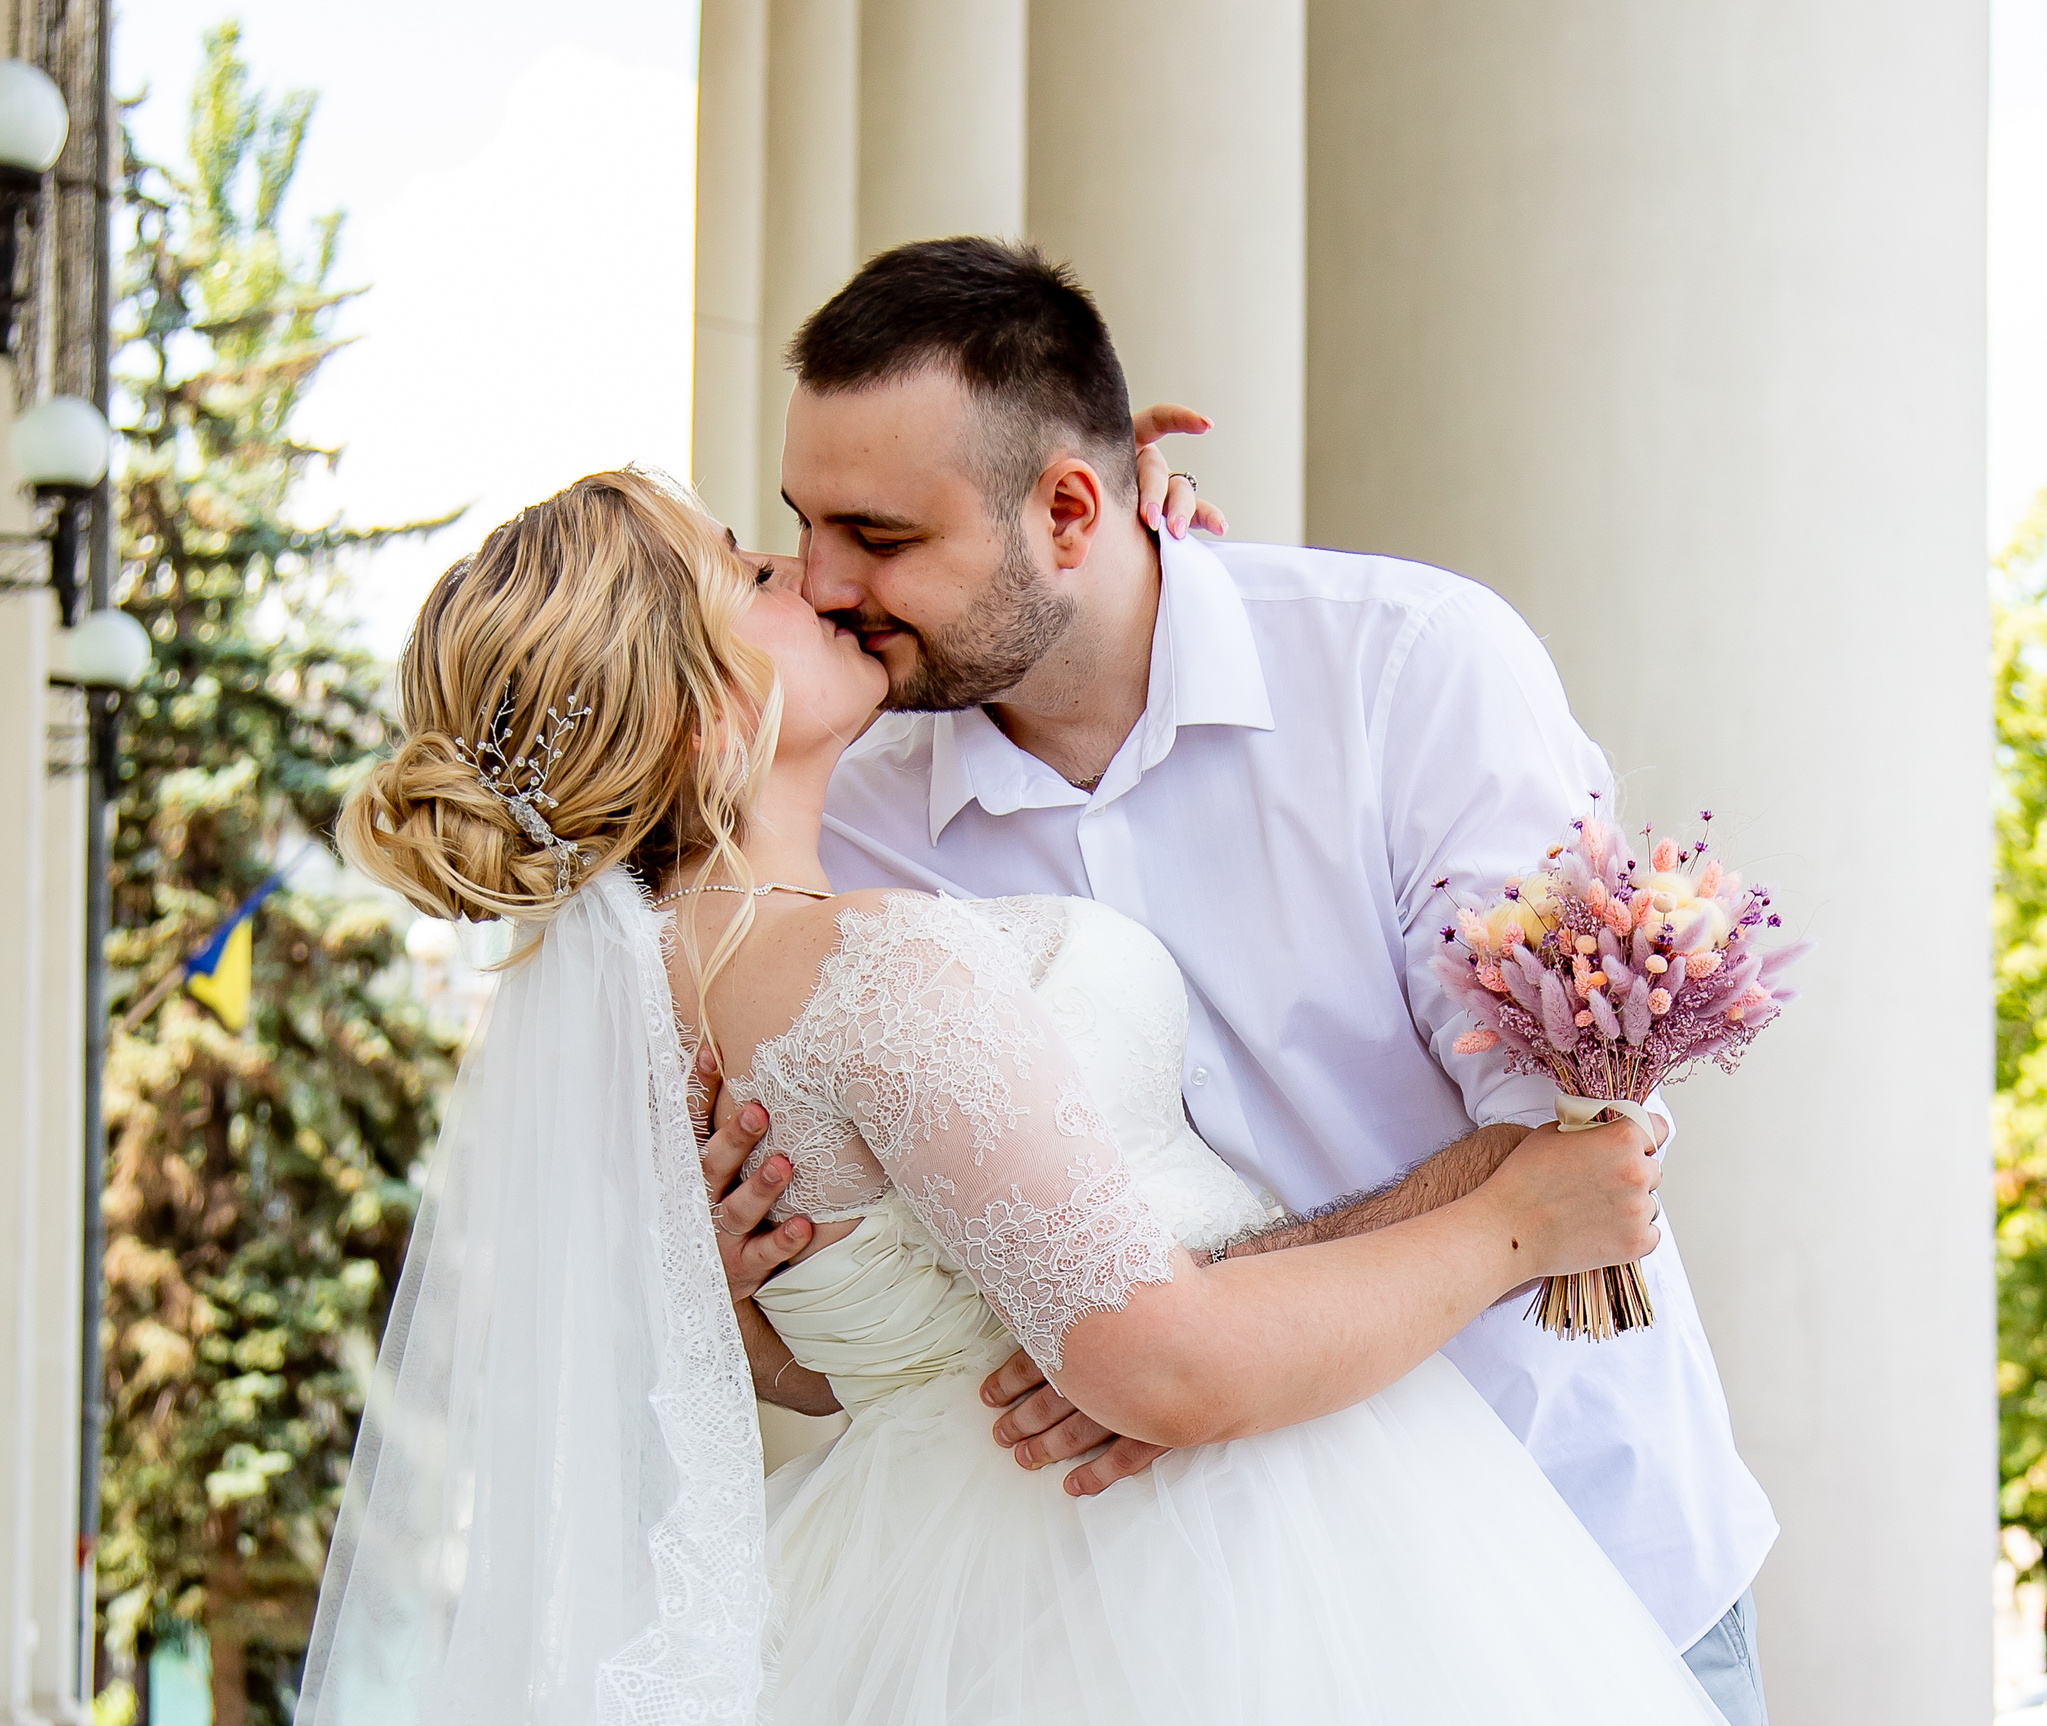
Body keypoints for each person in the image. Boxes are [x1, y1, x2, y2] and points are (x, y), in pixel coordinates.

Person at [304, 460, 1723, 1723]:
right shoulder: (872, 967)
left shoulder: (664, 1014)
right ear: (704, 714)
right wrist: (1520, 1223)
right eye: (751, 572)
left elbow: (866, 1345)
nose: (808, 574)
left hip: (949, 1571)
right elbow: (1163, 1365)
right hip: (1186, 1561)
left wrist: (1097, 550)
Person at [700, 236, 1778, 1724]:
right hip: (1163, 1636)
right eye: (801, 526)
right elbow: (887, 1346)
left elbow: (1566, 1150)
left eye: (878, 535)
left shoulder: (1410, 672)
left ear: (1071, 508)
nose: (825, 582)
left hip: (1577, 1541)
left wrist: (1172, 1340)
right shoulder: (841, 822)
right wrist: (771, 1287)